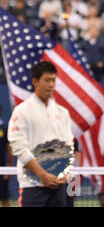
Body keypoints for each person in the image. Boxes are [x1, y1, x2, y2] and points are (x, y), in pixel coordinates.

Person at [8, 61, 74, 207]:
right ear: (35, 82)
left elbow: (69, 145)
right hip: (32, 186)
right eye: (47, 80)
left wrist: (65, 174)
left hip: (59, 186)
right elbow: (18, 147)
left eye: (53, 80)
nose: (51, 85)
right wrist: (42, 175)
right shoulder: (21, 111)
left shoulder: (62, 112)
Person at [0, 104, 14, 207]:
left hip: (2, 169)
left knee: (4, 198)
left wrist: (9, 167)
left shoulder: (4, 128)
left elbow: (10, 149)